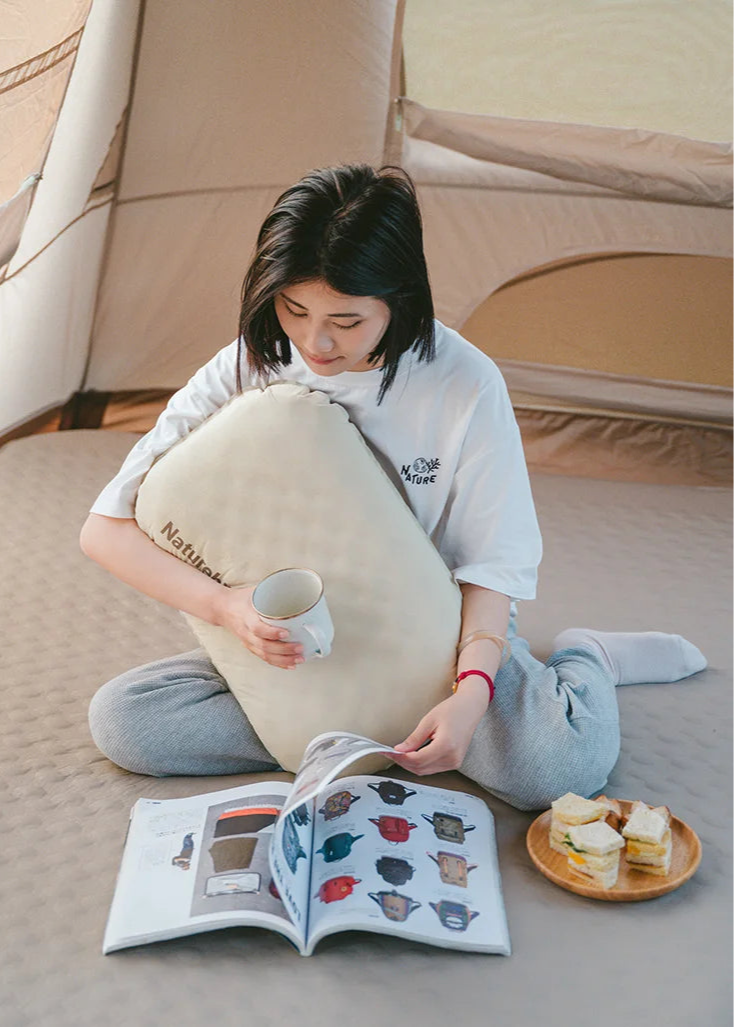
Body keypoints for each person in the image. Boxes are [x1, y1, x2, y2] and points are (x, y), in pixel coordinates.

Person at [80, 164, 706, 811]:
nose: (314, 341)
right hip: (301, 640)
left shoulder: (463, 383)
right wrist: (228, 608)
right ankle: (361, 726)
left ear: (398, 300)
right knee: (131, 721)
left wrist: (469, 694)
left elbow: (492, 566)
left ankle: (585, 658)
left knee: (560, 766)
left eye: (346, 321)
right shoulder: (247, 364)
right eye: (294, 309)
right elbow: (104, 531)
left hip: (437, 633)